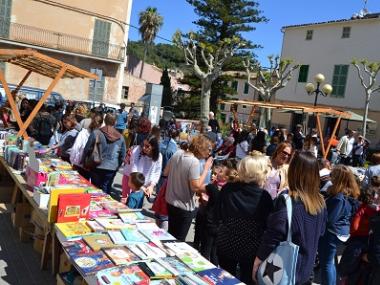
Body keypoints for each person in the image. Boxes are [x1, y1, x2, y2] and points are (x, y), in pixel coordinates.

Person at [252, 151, 327, 285]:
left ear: (293, 171)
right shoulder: (321, 203)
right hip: (305, 271)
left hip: (284, 272)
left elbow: (272, 237)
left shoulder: (287, 201)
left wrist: (257, 262)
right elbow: (320, 233)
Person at [217, 154, 273, 284]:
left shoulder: (228, 189)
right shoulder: (264, 197)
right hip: (251, 249)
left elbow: (218, 215)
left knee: (225, 280)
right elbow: (267, 225)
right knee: (247, 280)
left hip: (227, 244)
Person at [164, 135, 213, 241]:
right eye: (208, 149)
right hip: (184, 206)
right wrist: (205, 169)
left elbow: (166, 172)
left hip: (171, 202)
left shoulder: (178, 153)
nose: (209, 153)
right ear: (201, 148)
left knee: (170, 236)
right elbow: (195, 187)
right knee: (179, 241)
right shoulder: (193, 161)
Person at [318, 165, 360, 285]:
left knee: (326, 263)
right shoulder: (348, 194)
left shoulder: (339, 197)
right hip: (340, 232)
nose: (330, 177)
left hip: (332, 233)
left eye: (333, 175)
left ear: (338, 178)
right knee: (330, 262)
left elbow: (330, 219)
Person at [85, 113, 126, 194]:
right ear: (115, 122)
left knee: (95, 188)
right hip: (111, 167)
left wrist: (84, 162)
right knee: (106, 189)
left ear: (104, 120)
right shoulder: (120, 137)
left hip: (96, 165)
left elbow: (87, 149)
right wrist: (117, 166)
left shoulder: (96, 133)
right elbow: (122, 155)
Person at [122, 135, 162, 204]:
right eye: (143, 145)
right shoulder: (137, 150)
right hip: (130, 179)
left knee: (137, 203)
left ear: (153, 147)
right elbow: (134, 169)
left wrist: (151, 186)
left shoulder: (159, 156)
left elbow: (157, 172)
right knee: (126, 201)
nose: (144, 147)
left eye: (147, 146)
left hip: (143, 184)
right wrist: (141, 187)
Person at [70, 113, 103, 180]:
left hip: (80, 163)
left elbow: (75, 148)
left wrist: (72, 160)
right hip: (93, 164)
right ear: (101, 124)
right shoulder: (101, 134)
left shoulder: (83, 133)